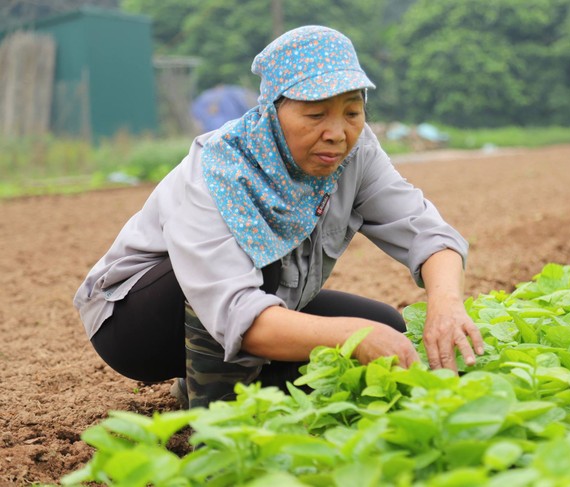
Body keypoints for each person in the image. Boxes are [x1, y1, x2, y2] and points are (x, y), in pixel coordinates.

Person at [73, 25, 483, 409]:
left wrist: (445, 304)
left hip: (255, 301)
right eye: (316, 114)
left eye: (352, 112)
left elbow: (424, 230)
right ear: (273, 111)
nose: (337, 132)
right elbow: (237, 309)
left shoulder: (355, 153)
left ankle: (205, 382)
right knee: (268, 268)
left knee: (385, 325)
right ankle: (217, 425)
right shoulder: (220, 168)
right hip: (133, 325)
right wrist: (351, 337)